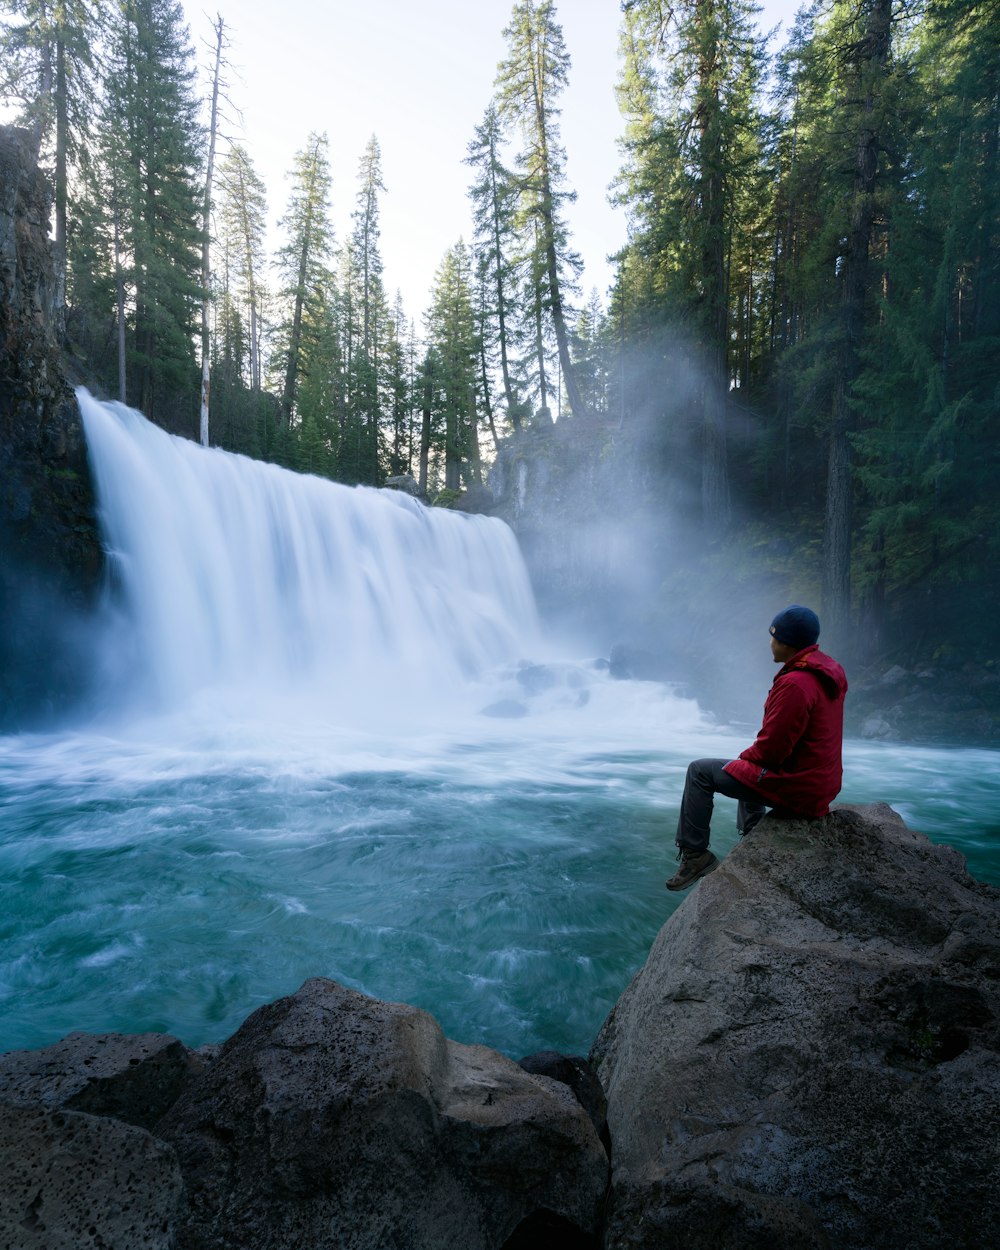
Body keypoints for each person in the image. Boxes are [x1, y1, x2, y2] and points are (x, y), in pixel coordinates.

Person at [666, 604, 848, 892]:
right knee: (744, 765)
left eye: (774, 636)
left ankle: (695, 855)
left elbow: (770, 753)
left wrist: (742, 760)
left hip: (800, 788)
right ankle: (753, 833)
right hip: (821, 782)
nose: (770, 643)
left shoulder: (796, 685)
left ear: (787, 643)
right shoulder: (824, 671)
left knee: (700, 771)